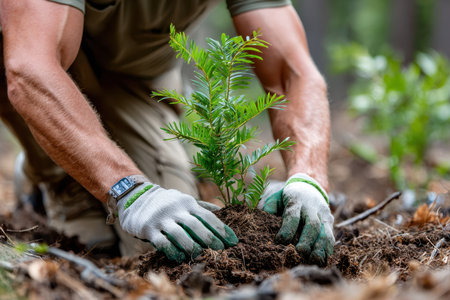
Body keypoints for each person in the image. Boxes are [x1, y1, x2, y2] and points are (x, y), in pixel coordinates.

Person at [0, 0, 334, 265]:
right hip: (34, 57)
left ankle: (70, 168)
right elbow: (30, 67)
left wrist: (308, 177)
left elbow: (294, 75)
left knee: (173, 250)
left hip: (137, 83)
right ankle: (54, 176)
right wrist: (128, 189)